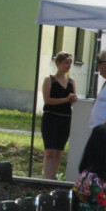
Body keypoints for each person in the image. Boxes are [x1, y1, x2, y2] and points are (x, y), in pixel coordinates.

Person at [40, 51, 77, 179]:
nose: (68, 65)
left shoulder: (71, 81)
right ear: (58, 63)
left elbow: (72, 102)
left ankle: (53, 177)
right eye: (66, 62)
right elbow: (48, 100)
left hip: (65, 118)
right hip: (51, 117)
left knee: (58, 152)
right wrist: (66, 99)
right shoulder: (49, 80)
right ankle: (47, 178)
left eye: (70, 63)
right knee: (49, 151)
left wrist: (72, 100)